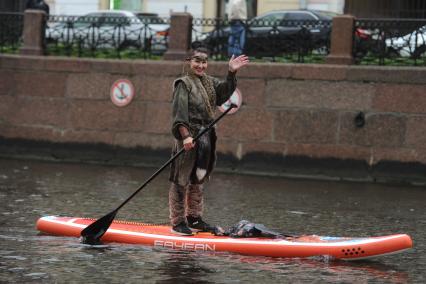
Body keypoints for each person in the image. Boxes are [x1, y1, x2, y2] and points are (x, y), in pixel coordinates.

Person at [169, 42, 249, 235]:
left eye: (204, 62)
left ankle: (194, 218)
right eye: (197, 61)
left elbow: (222, 95)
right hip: (188, 138)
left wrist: (231, 73)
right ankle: (178, 222)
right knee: (181, 178)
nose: (201, 65)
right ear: (189, 61)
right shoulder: (183, 84)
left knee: (199, 177)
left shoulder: (210, 82)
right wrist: (186, 136)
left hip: (206, 138)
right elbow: (179, 114)